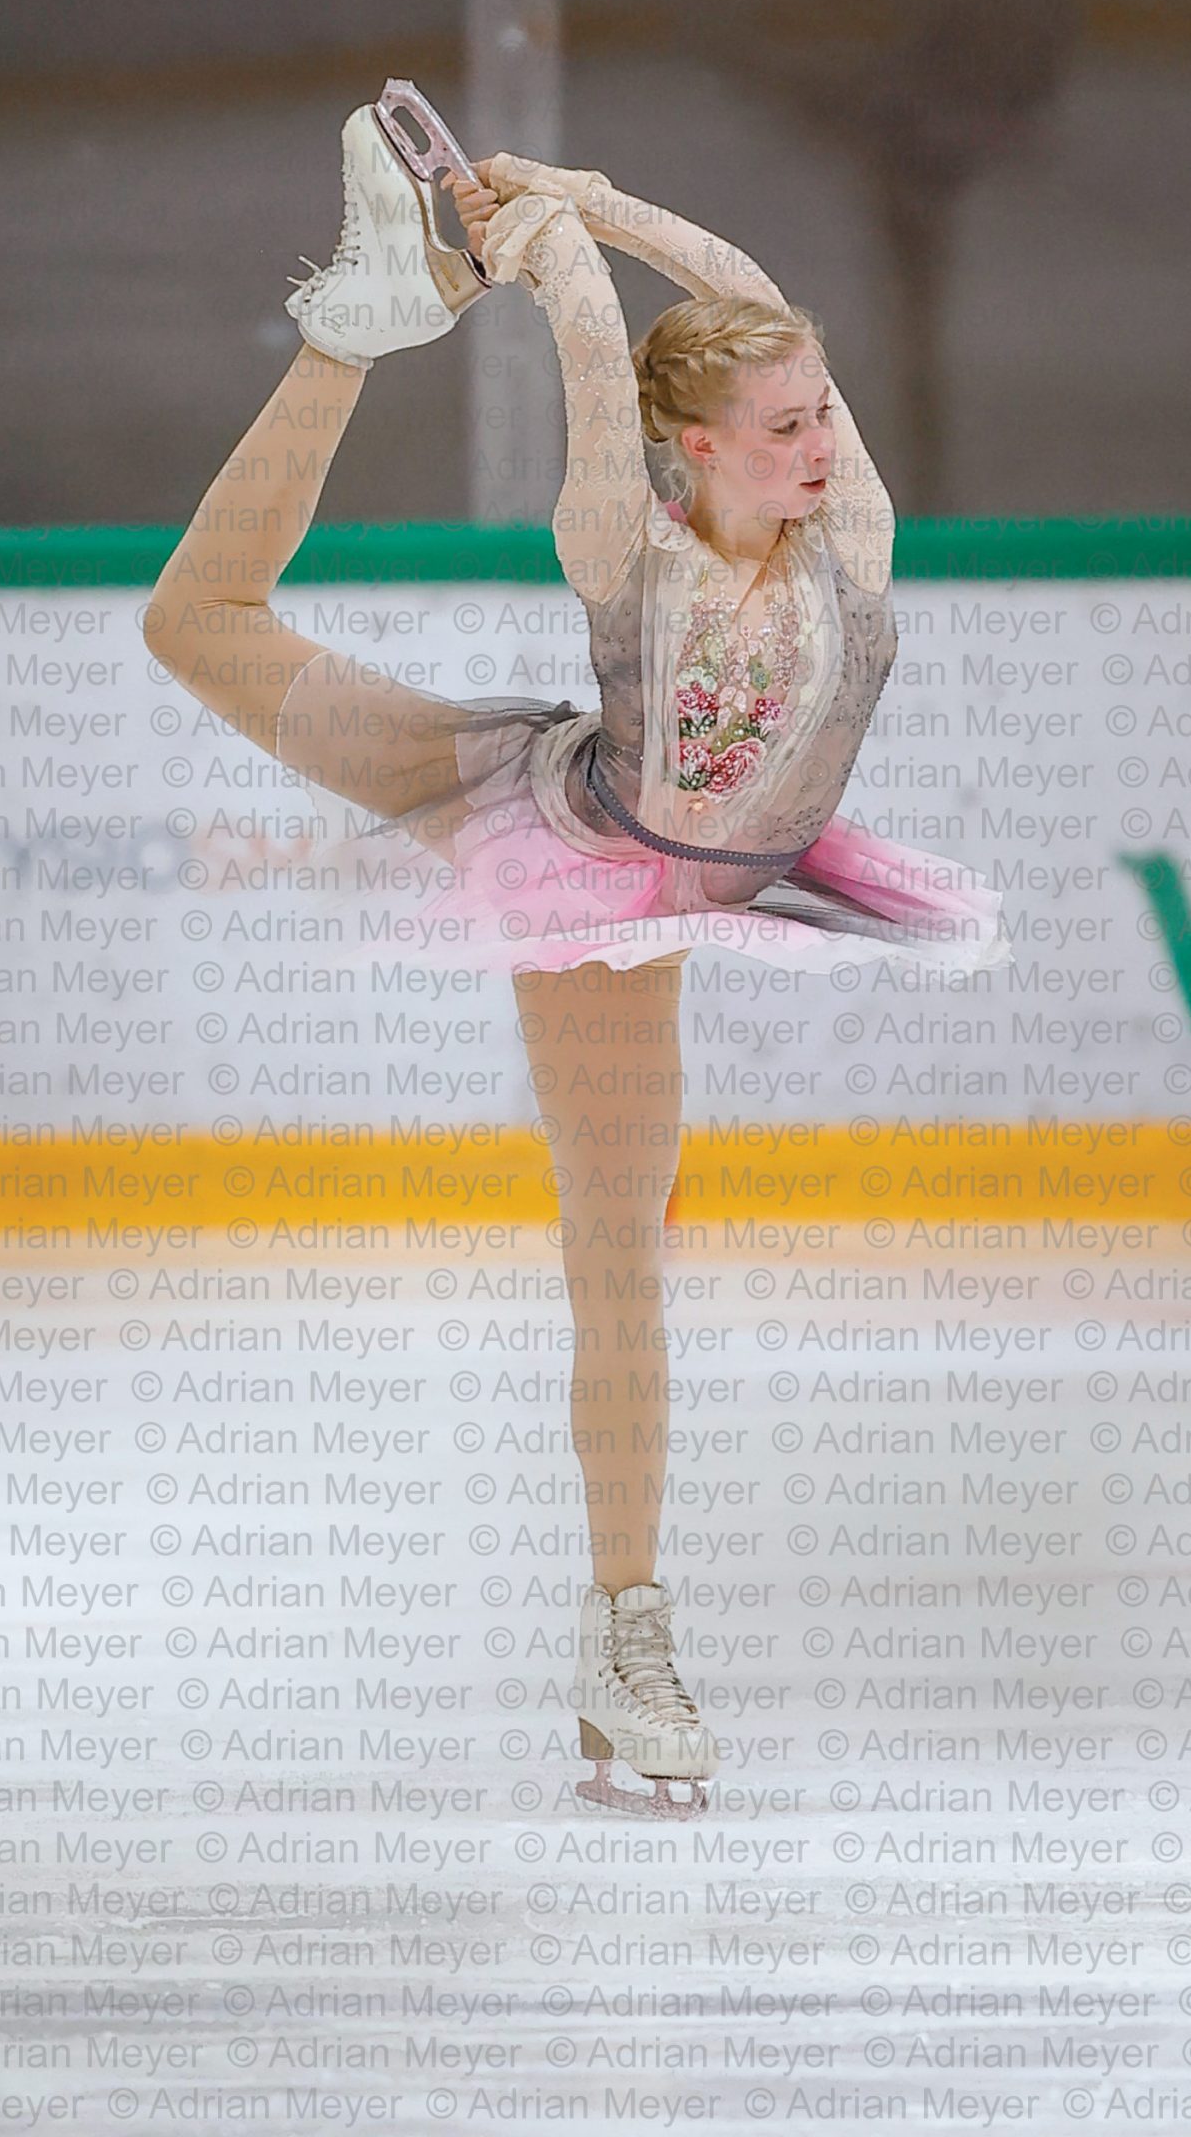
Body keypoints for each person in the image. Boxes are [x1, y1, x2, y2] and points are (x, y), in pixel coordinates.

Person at [145, 102, 1009, 1817]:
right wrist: (550, 258)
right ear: (693, 449)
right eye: (783, 426)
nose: (822, 442)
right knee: (197, 624)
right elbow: (600, 359)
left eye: (820, 412)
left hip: (702, 852)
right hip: (582, 857)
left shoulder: (852, 544)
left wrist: (599, 196)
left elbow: (746, 285)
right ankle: (347, 334)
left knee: (624, 1243)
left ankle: (626, 1629)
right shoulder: (625, 543)